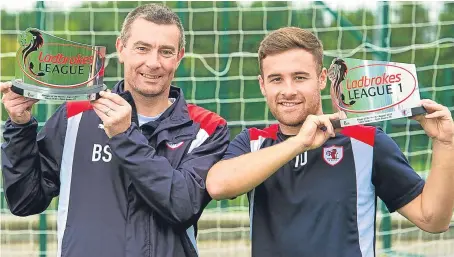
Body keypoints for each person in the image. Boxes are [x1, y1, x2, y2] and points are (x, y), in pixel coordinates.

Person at [1, 3, 229, 257]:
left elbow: (182, 206)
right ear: (121, 49)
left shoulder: (207, 128)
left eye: (166, 51)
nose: (153, 63)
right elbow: (25, 201)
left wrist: (124, 135)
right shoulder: (76, 115)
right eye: (142, 48)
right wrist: (20, 128)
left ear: (179, 56)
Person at [206, 27, 454, 257]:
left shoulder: (367, 142)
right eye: (276, 79)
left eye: (300, 77)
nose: (288, 90)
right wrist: (299, 143)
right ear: (262, 85)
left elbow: (433, 220)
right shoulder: (252, 143)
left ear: (322, 78)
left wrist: (446, 144)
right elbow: (218, 185)